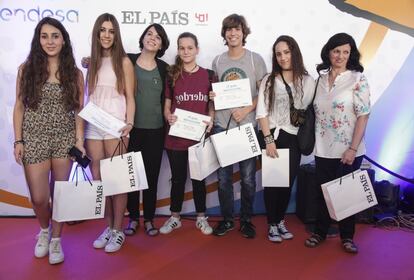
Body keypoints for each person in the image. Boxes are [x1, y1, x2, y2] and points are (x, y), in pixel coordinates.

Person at [13, 17, 85, 264]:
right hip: (34, 137)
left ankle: (56, 239)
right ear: (38, 39)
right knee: (39, 198)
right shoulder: (27, 68)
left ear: (63, 39)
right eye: (45, 36)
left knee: (61, 194)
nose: (50, 41)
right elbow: (19, 107)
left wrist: (79, 140)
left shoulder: (74, 74)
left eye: (55, 36)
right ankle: (44, 230)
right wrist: (18, 140)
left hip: (64, 139)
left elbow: (78, 111)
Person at [304, 33, 371, 254]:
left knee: (347, 195)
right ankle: (320, 232)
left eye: (345, 52)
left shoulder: (357, 79)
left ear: (350, 54)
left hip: (348, 149)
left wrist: (353, 148)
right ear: (329, 52)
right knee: (322, 192)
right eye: (336, 51)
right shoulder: (319, 80)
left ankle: (347, 237)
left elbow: (363, 115)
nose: (340, 56)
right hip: (322, 148)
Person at [210, 14, 267, 238]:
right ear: (224, 34)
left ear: (244, 32)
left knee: (248, 179)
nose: (233, 33)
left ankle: (245, 220)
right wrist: (212, 95)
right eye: (229, 29)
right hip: (222, 126)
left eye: (237, 29)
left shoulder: (255, 59)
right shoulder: (217, 60)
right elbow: (215, 91)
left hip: (246, 127)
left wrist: (247, 109)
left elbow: (264, 93)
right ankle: (226, 220)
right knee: (223, 180)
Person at [256, 35, 315, 242]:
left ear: (294, 53)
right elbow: (261, 112)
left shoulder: (308, 81)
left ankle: (280, 220)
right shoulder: (269, 80)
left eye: (286, 52)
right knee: (273, 184)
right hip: (273, 136)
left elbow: (312, 110)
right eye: (278, 53)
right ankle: (272, 224)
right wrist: (268, 140)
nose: (282, 57)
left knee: (287, 183)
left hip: (295, 139)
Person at [85, 13, 135, 253]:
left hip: (116, 125)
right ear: (97, 33)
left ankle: (118, 231)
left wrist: (130, 123)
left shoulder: (124, 61)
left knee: (117, 180)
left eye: (111, 31)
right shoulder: (91, 61)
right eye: (102, 30)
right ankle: (108, 228)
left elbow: (131, 97)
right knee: (99, 180)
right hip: (93, 124)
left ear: (116, 35)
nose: (106, 35)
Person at [159, 32, 215, 235]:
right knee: (177, 179)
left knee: (199, 179)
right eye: (182, 48)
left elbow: (211, 104)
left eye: (190, 48)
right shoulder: (172, 74)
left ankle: (201, 217)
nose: (186, 51)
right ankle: (175, 217)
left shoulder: (209, 75)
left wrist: (211, 118)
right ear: (178, 50)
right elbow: (167, 104)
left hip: (198, 137)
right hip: (175, 138)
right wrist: (168, 115)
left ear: (197, 50)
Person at [124, 24, 170, 237]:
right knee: (132, 177)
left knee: (151, 177)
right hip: (131, 130)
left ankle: (149, 219)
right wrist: (88, 61)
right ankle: (133, 218)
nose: (153, 38)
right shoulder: (127, 60)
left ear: (162, 45)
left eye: (158, 37)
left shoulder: (165, 69)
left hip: (156, 131)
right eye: (149, 34)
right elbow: (104, 63)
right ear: (142, 37)